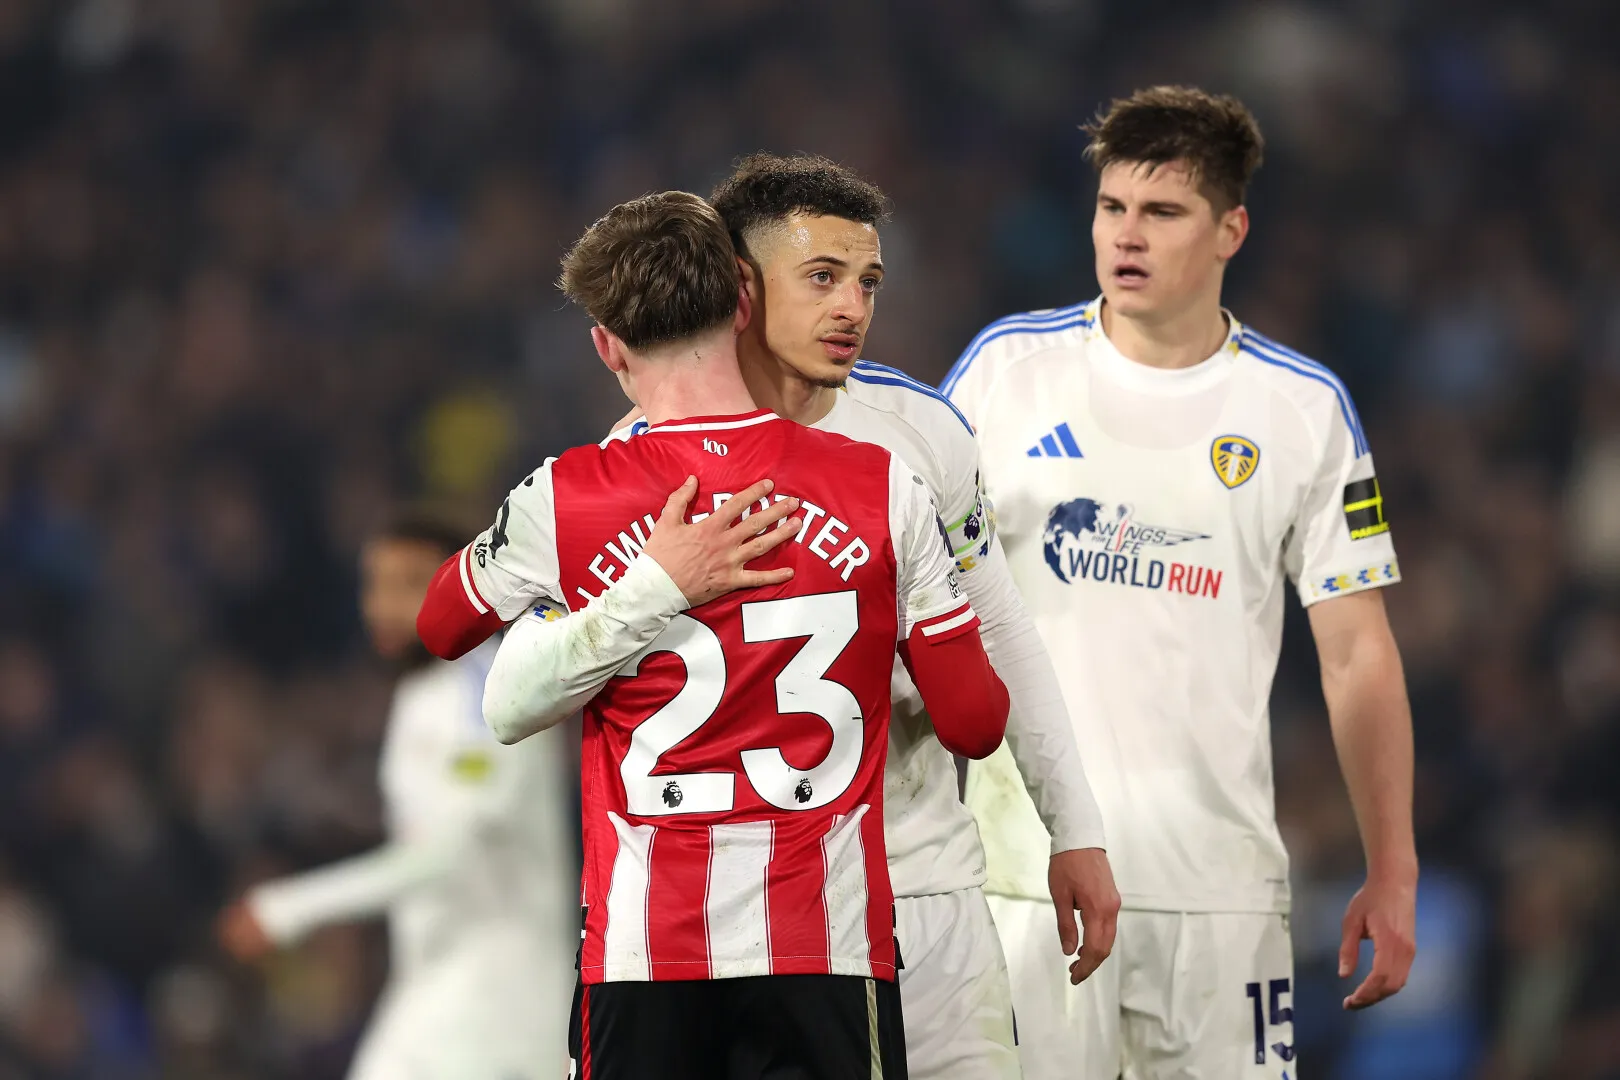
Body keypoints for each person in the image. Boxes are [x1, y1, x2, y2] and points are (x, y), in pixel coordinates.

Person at [468, 153, 1121, 1079]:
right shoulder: (633, 470)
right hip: (742, 925)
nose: (852, 307)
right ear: (739, 289)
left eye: (867, 282)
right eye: (821, 279)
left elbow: (1004, 626)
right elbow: (531, 682)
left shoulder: (922, 433)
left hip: (928, 891)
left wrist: (1076, 829)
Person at [941, 85, 1419, 1079]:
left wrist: (1393, 863)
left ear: (1229, 230)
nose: (1127, 234)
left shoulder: (1302, 410)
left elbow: (1357, 651)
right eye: (1112, 208)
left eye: (1161, 212)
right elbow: (914, 590)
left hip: (1219, 892)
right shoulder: (1004, 373)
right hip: (1022, 885)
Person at [216, 511, 578, 1080]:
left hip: (498, 1002)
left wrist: (287, 909)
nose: (382, 604)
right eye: (374, 584)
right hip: (439, 988)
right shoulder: (423, 693)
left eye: (409, 584)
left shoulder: (489, 690)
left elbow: (446, 853)